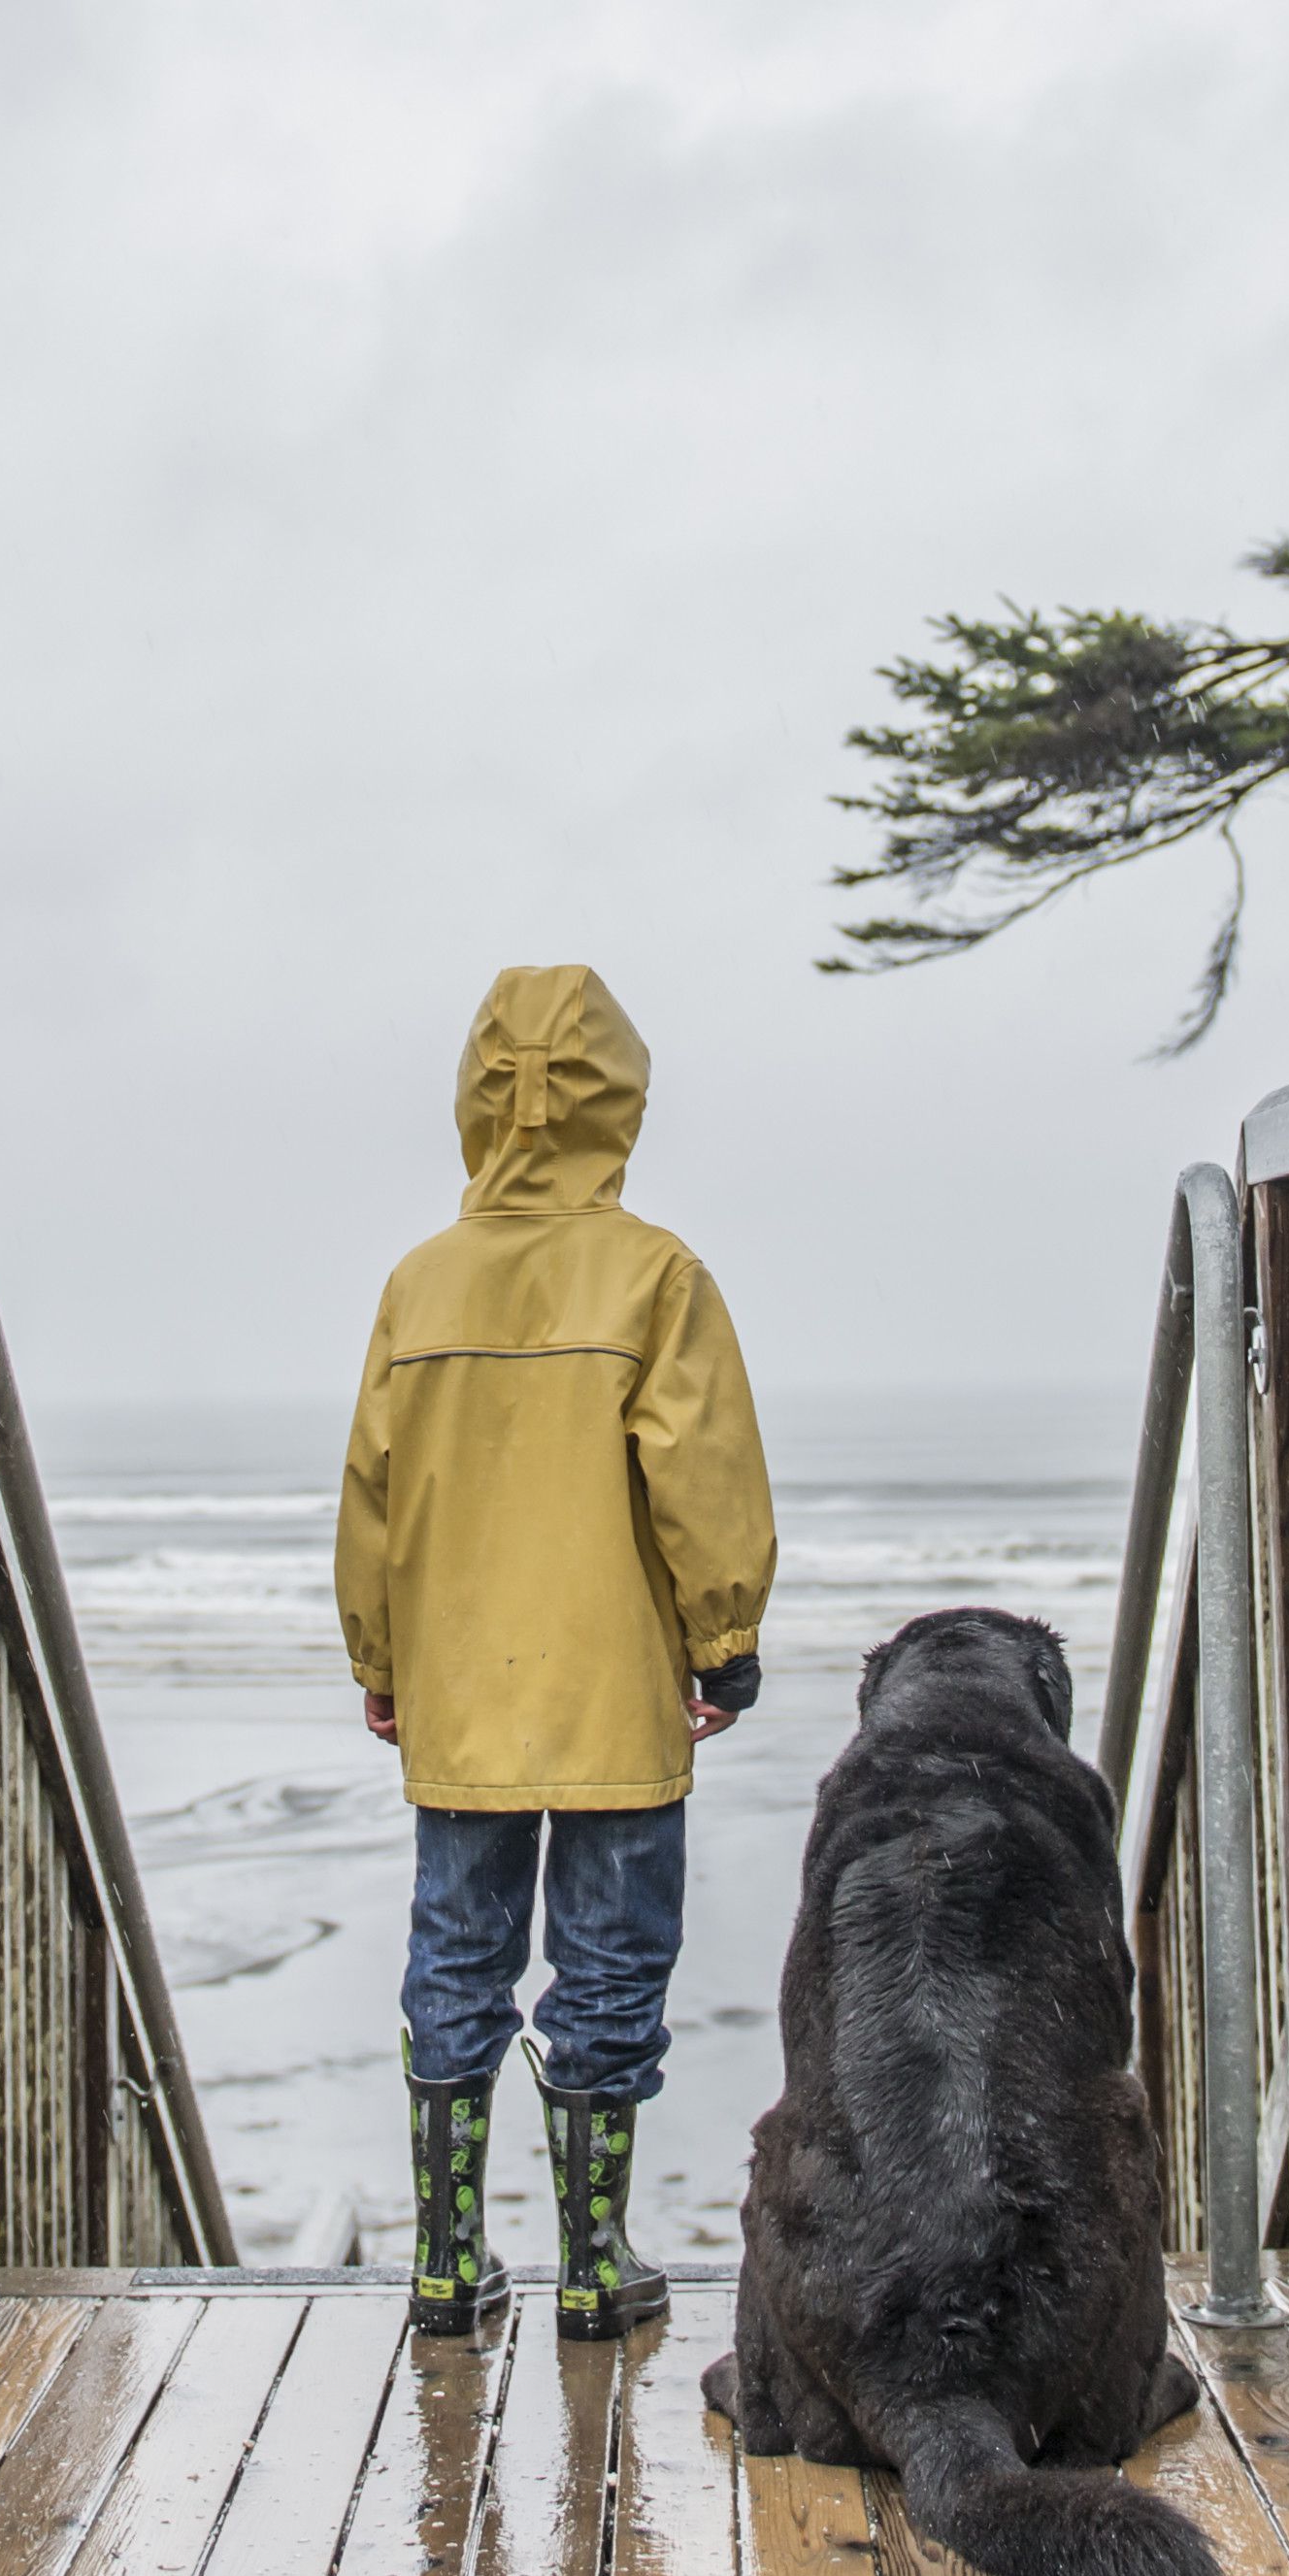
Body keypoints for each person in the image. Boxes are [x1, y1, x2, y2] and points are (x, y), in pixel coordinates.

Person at [338, 964, 777, 2343]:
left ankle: (443, 2266)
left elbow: (372, 1494)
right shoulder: (655, 1273)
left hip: (461, 1695)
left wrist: (383, 1659)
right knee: (607, 1970)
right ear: (616, 1099)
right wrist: (725, 1641)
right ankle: (593, 2269)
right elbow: (699, 1481)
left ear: (476, 1098)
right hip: (612, 1696)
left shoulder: (420, 1281)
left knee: (454, 1962)